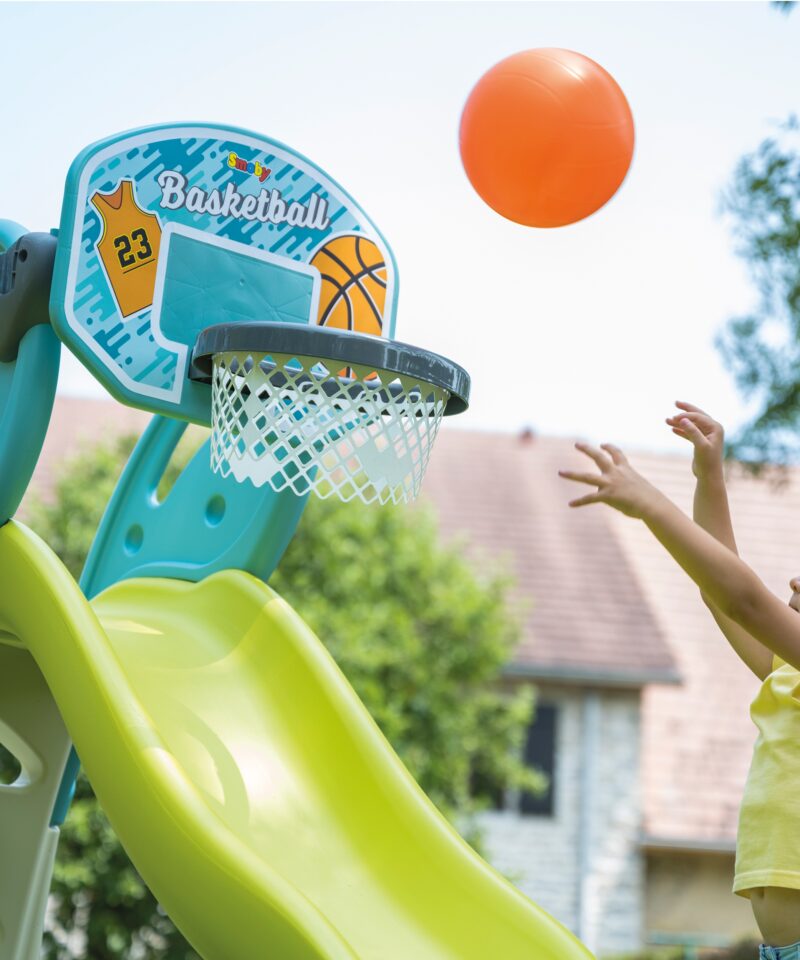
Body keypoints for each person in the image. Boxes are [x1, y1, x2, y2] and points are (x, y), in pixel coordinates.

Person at [558, 401, 800, 959]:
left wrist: (651, 505)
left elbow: (745, 601)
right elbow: (722, 592)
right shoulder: (787, 672)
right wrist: (708, 477)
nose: (792, 577)